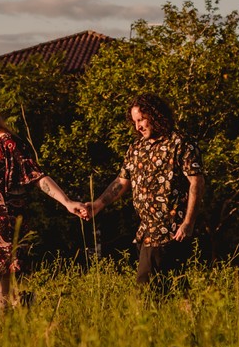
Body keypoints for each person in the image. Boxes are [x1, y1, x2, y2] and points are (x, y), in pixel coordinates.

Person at [0, 96, 87, 308]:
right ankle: (17, 300)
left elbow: (36, 175)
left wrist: (66, 202)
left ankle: (3, 329)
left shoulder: (7, 142)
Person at [85, 93, 205, 286]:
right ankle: (189, 316)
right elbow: (122, 181)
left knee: (146, 289)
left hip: (171, 230)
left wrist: (188, 223)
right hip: (146, 232)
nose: (138, 126)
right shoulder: (136, 147)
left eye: (141, 120)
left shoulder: (180, 143)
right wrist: (97, 205)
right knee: (174, 290)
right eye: (134, 122)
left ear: (155, 115)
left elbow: (197, 182)